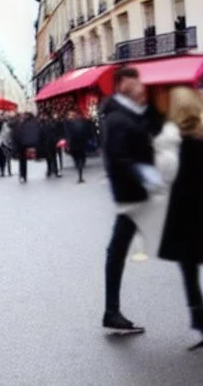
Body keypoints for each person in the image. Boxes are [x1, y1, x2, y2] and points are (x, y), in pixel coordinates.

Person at [101, 66, 157, 334]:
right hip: (133, 194)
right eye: (134, 82)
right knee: (185, 245)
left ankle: (111, 311)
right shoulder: (116, 117)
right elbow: (119, 158)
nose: (139, 86)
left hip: (138, 193)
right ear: (121, 84)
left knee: (117, 249)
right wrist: (147, 176)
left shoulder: (130, 113)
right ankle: (111, 311)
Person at [156, 87, 203, 345]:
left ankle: (198, 318)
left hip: (185, 213)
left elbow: (164, 175)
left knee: (188, 269)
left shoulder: (173, 143)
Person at [14, 112, 41, 183]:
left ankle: (22, 175)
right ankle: (23, 175)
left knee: (22, 160)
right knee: (23, 160)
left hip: (22, 144)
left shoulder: (22, 123)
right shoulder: (34, 123)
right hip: (26, 144)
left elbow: (16, 133)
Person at [64, 110, 90, 183]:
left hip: (76, 143)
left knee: (78, 158)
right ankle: (80, 172)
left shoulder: (70, 123)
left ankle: (80, 172)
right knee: (79, 158)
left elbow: (68, 134)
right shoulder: (77, 122)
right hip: (77, 143)